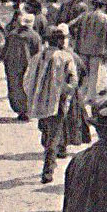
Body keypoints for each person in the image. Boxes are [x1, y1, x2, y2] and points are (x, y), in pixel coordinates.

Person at [24, 24, 83, 183]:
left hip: (40, 103)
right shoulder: (65, 57)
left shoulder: (37, 57)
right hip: (58, 104)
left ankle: (50, 161)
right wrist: (64, 92)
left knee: (46, 130)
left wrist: (33, 96)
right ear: (59, 41)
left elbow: (27, 80)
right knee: (53, 136)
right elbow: (73, 81)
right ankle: (48, 171)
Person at [2, 11, 42, 121]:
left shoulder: (12, 34)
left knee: (14, 88)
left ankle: (20, 110)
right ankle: (26, 111)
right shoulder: (35, 36)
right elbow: (38, 54)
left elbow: (4, 51)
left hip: (12, 65)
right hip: (27, 66)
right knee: (27, 88)